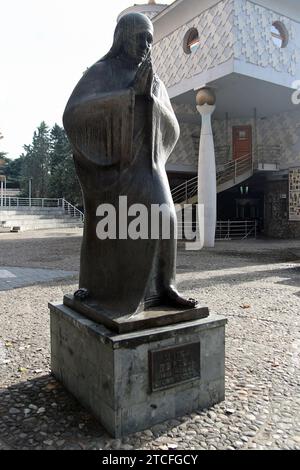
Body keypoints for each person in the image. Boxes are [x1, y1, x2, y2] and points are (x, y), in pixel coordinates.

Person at [63, 13, 197, 316]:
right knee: (119, 225)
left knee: (165, 217)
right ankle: (115, 292)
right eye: (141, 37)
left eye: (150, 39)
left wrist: (150, 99)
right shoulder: (102, 71)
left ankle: (165, 286)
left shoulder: (155, 80)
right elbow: (74, 113)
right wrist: (128, 96)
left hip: (149, 164)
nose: (146, 44)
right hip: (115, 169)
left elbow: (172, 127)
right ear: (123, 36)